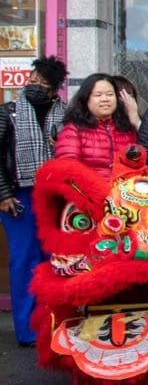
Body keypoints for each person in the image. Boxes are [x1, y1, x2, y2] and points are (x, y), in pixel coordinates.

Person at [0, 55, 68, 346]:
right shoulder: (9, 112)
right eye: (33, 79)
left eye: (43, 82)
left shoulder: (67, 114)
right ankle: (28, 331)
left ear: (55, 90)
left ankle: (55, 325)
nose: (35, 85)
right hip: (19, 197)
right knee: (24, 260)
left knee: (55, 260)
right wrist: (3, 193)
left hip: (55, 197)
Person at [54, 73, 138, 180]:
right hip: (89, 193)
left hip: (124, 193)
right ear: (86, 99)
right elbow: (69, 169)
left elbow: (138, 164)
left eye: (110, 94)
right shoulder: (73, 130)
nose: (105, 99)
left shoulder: (127, 128)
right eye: (98, 95)